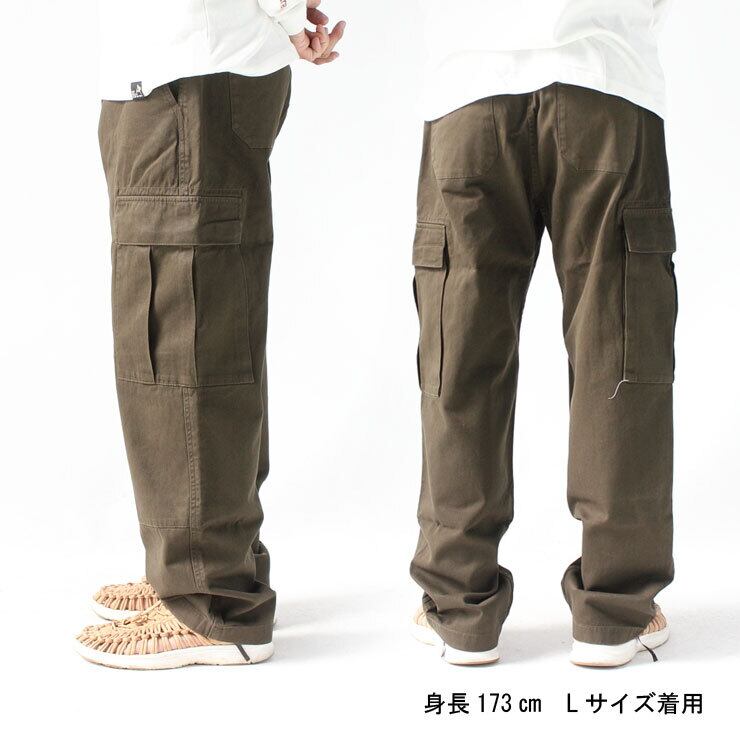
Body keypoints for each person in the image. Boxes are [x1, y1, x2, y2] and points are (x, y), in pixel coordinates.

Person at [75, 0, 345, 670]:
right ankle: (210, 566)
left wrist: (287, 15)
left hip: (187, 82)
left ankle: (209, 598)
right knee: (208, 330)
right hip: (185, 77)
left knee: (181, 336)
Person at [409, 0, 676, 667]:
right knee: (618, 349)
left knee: (459, 353)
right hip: (604, 80)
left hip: (468, 89)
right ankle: (614, 611)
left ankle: (459, 609)